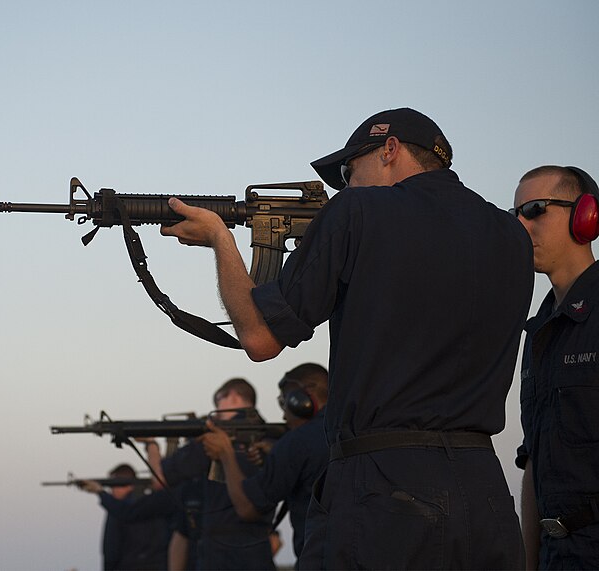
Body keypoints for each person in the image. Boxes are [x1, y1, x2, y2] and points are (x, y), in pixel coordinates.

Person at [161, 107, 534, 569]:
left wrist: (221, 240)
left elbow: (259, 337)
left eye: (348, 170)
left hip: (383, 490)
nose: (345, 186)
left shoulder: (356, 211)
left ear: (390, 149)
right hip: (486, 493)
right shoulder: (512, 236)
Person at [511, 165, 599, 570]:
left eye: (535, 209)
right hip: (555, 556)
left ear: (586, 215)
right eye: (514, 214)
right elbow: (533, 459)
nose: (521, 224)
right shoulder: (539, 331)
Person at [198, 363, 329, 561]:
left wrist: (225, 454)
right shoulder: (348, 431)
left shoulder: (298, 441)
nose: (284, 415)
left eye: (285, 403)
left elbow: (248, 508)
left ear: (301, 401)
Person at [147, 378, 276, 570]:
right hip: (258, 549)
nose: (216, 407)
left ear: (233, 397)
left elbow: (159, 479)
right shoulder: (270, 436)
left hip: (221, 553)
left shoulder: (216, 438)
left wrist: (151, 445)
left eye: (218, 399)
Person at [78, 463, 170, 570]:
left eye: (114, 485)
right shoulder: (153, 505)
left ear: (128, 485)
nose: (112, 491)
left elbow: (111, 549)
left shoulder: (118, 511)